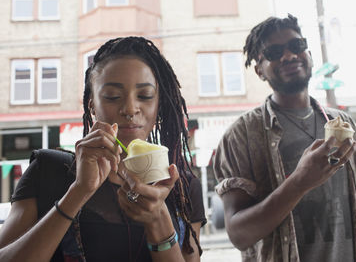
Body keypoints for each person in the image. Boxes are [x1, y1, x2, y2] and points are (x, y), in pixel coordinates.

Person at [0, 36, 206, 262]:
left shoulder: (182, 188)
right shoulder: (48, 170)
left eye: (145, 96)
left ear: (159, 105)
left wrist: (158, 219)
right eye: (112, 96)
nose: (130, 108)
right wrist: (78, 191)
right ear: (92, 105)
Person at [213, 14, 356, 262]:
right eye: (273, 52)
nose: (289, 56)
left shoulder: (345, 126)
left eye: (296, 46)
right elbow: (239, 235)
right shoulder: (241, 135)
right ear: (259, 70)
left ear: (309, 54)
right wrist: (299, 182)